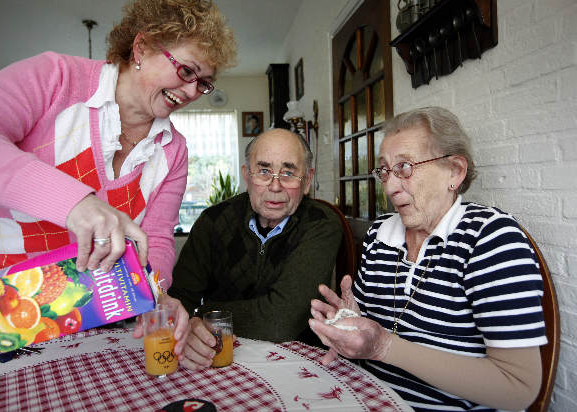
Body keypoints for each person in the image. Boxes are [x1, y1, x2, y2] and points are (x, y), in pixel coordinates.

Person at [0, 0, 236, 353]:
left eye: (203, 83)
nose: (192, 92)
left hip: (96, 317)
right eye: (187, 72)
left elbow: (156, 239)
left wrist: (155, 294)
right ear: (141, 47)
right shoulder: (54, 78)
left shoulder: (174, 149)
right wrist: (76, 204)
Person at [309, 107, 547, 412]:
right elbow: (368, 334)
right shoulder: (381, 233)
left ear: (455, 171)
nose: (391, 187)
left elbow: (518, 388)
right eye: (384, 171)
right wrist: (348, 326)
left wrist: (384, 347)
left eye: (405, 167)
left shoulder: (491, 239)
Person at [166, 128, 343, 370]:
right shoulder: (213, 221)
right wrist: (191, 326)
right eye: (263, 171)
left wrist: (206, 314)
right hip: (218, 357)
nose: (275, 186)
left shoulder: (321, 224)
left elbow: (280, 320)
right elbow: (178, 300)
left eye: (289, 173)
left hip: (298, 363)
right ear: (247, 175)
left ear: (307, 181)